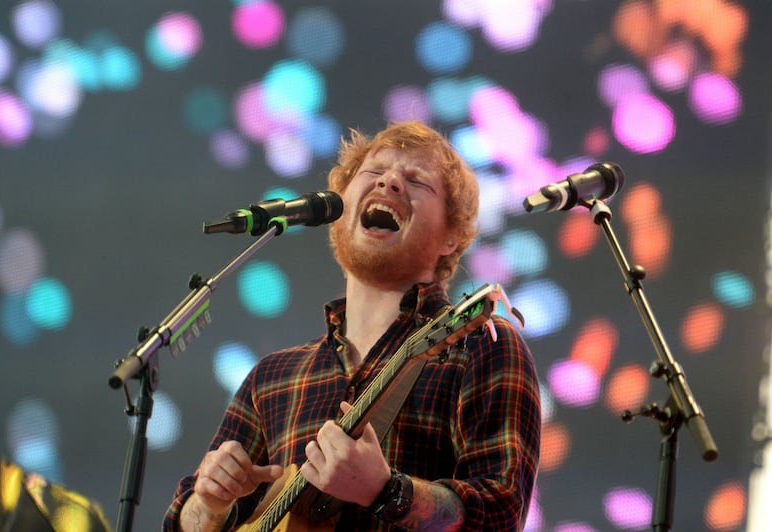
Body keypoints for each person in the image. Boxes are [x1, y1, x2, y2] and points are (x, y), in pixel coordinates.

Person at [163, 121, 541, 531]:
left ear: (451, 238)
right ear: (340, 211)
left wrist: (386, 491)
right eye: (374, 172)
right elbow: (183, 522)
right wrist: (209, 505)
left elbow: (501, 517)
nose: (391, 182)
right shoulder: (270, 378)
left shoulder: (480, 345)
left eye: (417, 180)